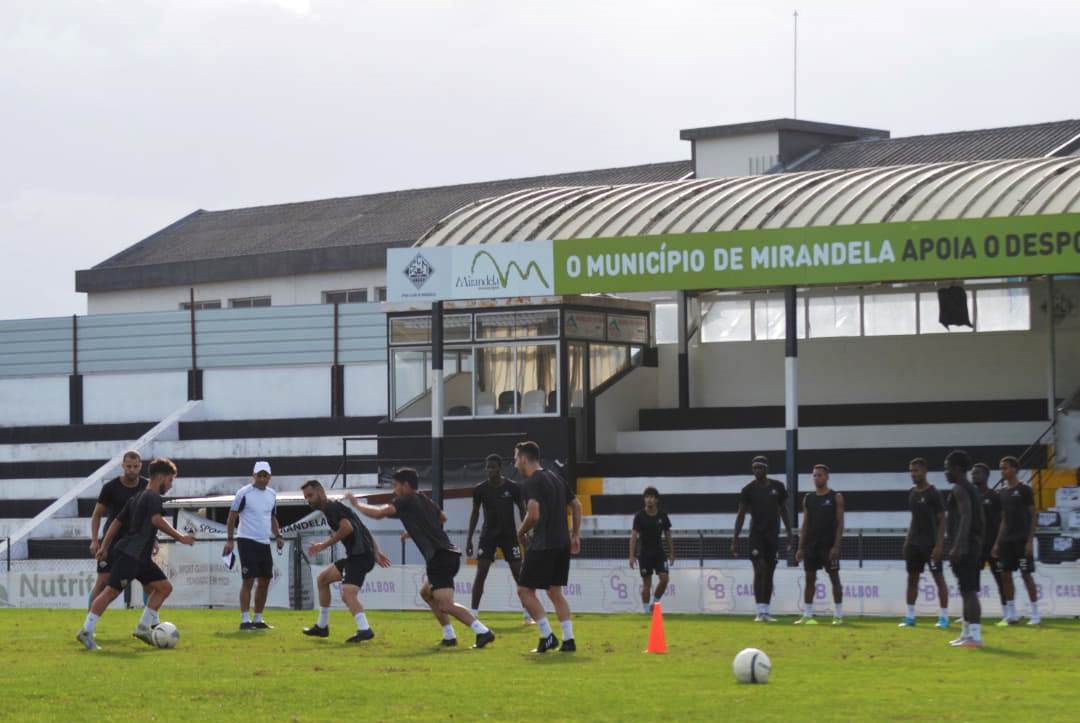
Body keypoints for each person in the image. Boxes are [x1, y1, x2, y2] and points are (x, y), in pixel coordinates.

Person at [349, 468, 494, 649]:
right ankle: (449, 635)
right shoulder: (424, 500)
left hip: (439, 557)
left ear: (405, 485)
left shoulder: (406, 500)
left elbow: (379, 513)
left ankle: (483, 632)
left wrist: (356, 504)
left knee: (446, 605)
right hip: (447, 555)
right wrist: (415, 530)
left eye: (396, 485)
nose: (394, 490)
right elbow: (442, 518)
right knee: (426, 593)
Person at [76, 458, 194, 651]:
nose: (170, 485)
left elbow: (116, 522)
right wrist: (180, 537)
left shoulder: (137, 497)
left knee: (164, 588)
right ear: (161, 477)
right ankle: (86, 631)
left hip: (141, 557)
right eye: (170, 480)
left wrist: (105, 546)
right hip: (131, 555)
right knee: (110, 592)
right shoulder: (153, 497)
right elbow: (156, 520)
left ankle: (142, 628)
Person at [300, 480, 391, 642]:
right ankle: (322, 627)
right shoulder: (335, 507)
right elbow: (363, 528)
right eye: (306, 497)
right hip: (359, 556)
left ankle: (365, 629)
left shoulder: (332, 508)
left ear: (321, 492)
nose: (308, 500)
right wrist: (376, 551)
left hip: (360, 556)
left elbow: (347, 528)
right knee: (322, 580)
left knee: (348, 593)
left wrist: (323, 545)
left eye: (310, 495)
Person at [515, 441, 583, 653]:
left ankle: (547, 636)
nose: (515, 463)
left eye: (516, 458)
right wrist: (575, 535)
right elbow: (577, 505)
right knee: (555, 592)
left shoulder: (532, 482)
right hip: (562, 543)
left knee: (524, 590)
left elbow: (533, 514)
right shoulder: (556, 477)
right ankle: (569, 639)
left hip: (543, 544)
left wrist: (520, 532)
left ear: (523, 459)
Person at [465, 454, 530, 623]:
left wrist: (525, 533)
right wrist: (469, 539)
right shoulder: (480, 489)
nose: (489, 470)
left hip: (509, 536)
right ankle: (474, 613)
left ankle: (527, 613)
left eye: (493, 467)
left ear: (500, 468)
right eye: (487, 467)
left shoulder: (513, 488)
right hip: (488, 536)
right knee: (481, 573)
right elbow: (475, 513)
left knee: (519, 575)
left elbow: (523, 510)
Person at [222, 460, 283, 630]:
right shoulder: (244, 493)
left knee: (265, 581)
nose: (262, 479)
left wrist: (278, 535)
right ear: (253, 476)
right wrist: (230, 540)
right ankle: (244, 619)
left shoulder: (272, 494)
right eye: (259, 475)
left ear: (270, 477)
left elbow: (272, 517)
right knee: (248, 580)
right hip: (246, 540)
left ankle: (258, 618)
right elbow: (232, 516)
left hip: (264, 542)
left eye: (265, 476)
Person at [732, 455, 794, 622]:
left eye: (760, 467)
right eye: (755, 468)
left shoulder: (778, 487)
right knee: (760, 569)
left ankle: (766, 610)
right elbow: (741, 514)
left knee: (769, 572)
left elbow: (784, 511)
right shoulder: (748, 489)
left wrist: (790, 534)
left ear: (766, 469)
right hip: (756, 536)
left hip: (772, 535)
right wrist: (735, 538)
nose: (757, 470)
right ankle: (759, 611)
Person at [88, 450, 148, 607]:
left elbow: (150, 516)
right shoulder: (110, 487)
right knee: (103, 582)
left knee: (149, 581)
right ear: (123, 466)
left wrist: (152, 539)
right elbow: (97, 514)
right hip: (112, 540)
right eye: (129, 466)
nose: (132, 470)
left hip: (136, 541)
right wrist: (94, 540)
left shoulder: (146, 486)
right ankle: (89, 619)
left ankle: (150, 618)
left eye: (135, 466)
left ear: (140, 466)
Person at [898, 457, 950, 629]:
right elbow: (914, 518)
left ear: (925, 471)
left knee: (938, 579)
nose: (913, 474)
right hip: (914, 544)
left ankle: (944, 618)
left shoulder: (934, 493)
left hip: (931, 544)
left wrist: (939, 545)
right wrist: (907, 541)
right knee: (912, 579)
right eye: (911, 471)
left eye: (916, 470)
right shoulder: (912, 492)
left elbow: (942, 520)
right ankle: (910, 617)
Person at [992, 456, 1040, 626]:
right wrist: (997, 543)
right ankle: (1011, 614)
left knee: (1026, 575)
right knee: (1005, 575)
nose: (1002, 471)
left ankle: (1035, 613)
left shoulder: (1025, 490)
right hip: (1006, 541)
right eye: (1001, 468)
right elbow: (1003, 519)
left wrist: (1029, 540)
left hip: (1022, 540)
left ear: (1014, 469)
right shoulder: (1001, 492)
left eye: (1005, 467)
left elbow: (1033, 515)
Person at [943, 450, 985, 648]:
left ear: (957, 468)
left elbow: (966, 516)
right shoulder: (970, 489)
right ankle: (966, 633)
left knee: (969, 591)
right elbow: (980, 519)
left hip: (966, 547)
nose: (945, 472)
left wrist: (958, 546)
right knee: (966, 590)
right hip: (972, 545)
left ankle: (975, 636)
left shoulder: (959, 489)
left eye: (947, 468)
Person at [794, 465, 845, 625]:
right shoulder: (808, 498)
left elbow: (840, 523)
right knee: (809, 579)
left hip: (829, 546)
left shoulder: (836, 497)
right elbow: (805, 524)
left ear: (827, 477)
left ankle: (838, 615)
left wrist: (836, 546)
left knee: (834, 579)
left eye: (820, 475)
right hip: (811, 546)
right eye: (815, 475)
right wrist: (800, 547)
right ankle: (808, 615)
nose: (817, 478)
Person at [971, 462, 1008, 624]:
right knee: (971, 582)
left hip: (993, 546)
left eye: (977, 473)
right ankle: (971, 613)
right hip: (975, 546)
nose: (974, 476)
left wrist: (998, 543)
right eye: (973, 473)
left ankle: (1007, 613)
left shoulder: (994, 496)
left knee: (1001, 580)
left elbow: (1003, 520)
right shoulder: (970, 496)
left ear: (986, 475)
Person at [629, 486, 674, 614]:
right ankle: (646, 611)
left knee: (664, 579)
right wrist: (631, 556)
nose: (649, 499)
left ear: (656, 500)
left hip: (659, 552)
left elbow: (668, 534)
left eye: (651, 497)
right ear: (644, 499)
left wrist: (672, 553)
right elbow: (633, 537)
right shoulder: (639, 516)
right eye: (647, 497)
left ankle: (655, 603)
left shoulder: (662, 515)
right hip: (644, 553)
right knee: (647, 584)